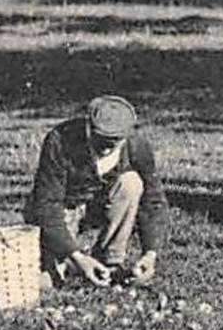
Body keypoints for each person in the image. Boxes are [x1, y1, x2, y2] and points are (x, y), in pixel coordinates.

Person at [24, 95, 168, 288]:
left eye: (115, 141)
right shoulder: (60, 140)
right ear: (88, 128)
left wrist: (150, 254)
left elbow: (153, 200)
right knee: (47, 280)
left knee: (131, 183)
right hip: (65, 209)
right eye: (101, 140)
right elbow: (46, 205)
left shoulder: (136, 146)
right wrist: (76, 256)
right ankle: (68, 263)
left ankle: (110, 261)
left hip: (99, 208)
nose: (107, 148)